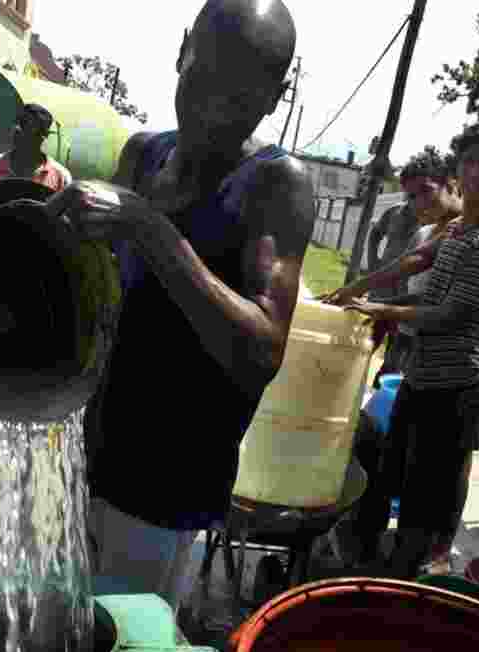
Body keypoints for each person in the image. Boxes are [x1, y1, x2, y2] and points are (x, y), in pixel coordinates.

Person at [63, 0, 312, 616]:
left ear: (276, 96)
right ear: (181, 52)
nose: (214, 111)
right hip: (85, 462)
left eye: (243, 97)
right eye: (202, 81)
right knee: (53, 649)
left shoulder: (274, 185)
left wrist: (152, 229)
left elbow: (262, 352)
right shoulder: (143, 156)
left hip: (165, 498)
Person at [324, 123, 479, 579]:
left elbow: (448, 313)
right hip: (423, 373)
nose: (474, 173)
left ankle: (405, 575)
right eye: (468, 161)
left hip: (455, 384)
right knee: (390, 466)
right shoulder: (458, 226)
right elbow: (417, 260)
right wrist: (356, 288)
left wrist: (381, 308)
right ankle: (371, 555)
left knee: (425, 487)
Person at [370, 160, 463, 385]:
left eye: (426, 190)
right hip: (406, 329)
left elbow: (440, 299)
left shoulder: (469, 232)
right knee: (384, 384)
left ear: (451, 186)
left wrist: (385, 307)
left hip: (439, 347)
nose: (419, 202)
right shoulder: (423, 233)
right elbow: (408, 278)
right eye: (411, 196)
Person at [0, 103, 72, 192]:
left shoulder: (61, 178)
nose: (17, 128)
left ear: (42, 136)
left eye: (25, 124)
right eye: (17, 122)